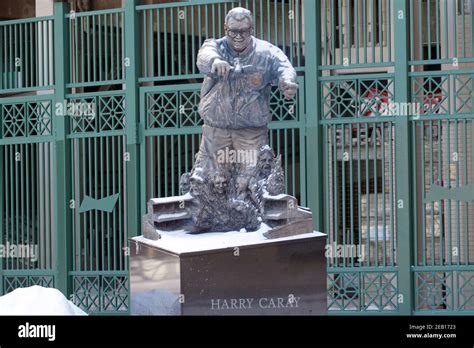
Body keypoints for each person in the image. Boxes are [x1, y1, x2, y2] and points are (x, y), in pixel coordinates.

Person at [195, 7, 298, 171]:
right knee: (210, 177)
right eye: (233, 31)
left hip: (251, 132)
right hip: (216, 130)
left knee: (252, 178)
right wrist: (215, 61)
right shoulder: (214, 46)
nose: (238, 36)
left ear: (251, 29)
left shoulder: (266, 52)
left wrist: (287, 81)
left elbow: (285, 68)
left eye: (244, 31)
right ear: (225, 28)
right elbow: (204, 56)